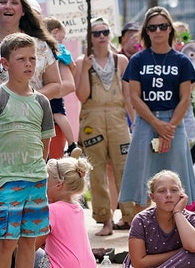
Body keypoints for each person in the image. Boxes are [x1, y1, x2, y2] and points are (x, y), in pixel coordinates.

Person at [0, 33, 56, 268]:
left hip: (36, 181)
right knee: (7, 241)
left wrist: (38, 173)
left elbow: (45, 143)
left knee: (30, 241)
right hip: (6, 182)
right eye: (21, 59)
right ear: (5, 63)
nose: (29, 63)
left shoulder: (42, 102)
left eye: (32, 58)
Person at [119, 6, 195, 212]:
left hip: (174, 121)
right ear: (146, 31)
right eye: (152, 27)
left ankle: (179, 237)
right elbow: (134, 97)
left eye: (162, 26)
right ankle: (142, 237)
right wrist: (157, 125)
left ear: (170, 29)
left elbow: (185, 98)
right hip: (146, 121)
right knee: (141, 181)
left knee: (177, 183)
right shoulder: (138, 60)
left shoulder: (181, 61)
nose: (158, 31)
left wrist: (169, 129)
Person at [75, 17, 136, 236]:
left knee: (125, 167)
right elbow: (81, 95)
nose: (101, 36)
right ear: (89, 38)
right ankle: (105, 218)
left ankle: (130, 217)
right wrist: (85, 69)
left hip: (118, 116)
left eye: (105, 32)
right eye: (96, 33)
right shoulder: (83, 60)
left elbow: (129, 96)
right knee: (97, 170)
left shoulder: (121, 61)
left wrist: (134, 122)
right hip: (93, 117)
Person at [123, 170, 195, 268]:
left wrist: (177, 213)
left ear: (181, 194)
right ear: (152, 197)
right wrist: (179, 253)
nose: (168, 195)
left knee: (191, 257)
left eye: (174, 190)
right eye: (162, 191)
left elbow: (193, 246)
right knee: (189, 255)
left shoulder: (190, 219)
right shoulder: (141, 220)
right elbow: (138, 263)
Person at [34, 156, 96, 268]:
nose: (42, 184)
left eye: (46, 179)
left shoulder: (51, 210)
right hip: (89, 265)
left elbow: (32, 246)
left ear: (58, 184)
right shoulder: (78, 208)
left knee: (21, 249)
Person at [42, 16, 78, 157]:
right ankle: (71, 144)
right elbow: (73, 65)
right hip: (50, 90)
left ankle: (71, 143)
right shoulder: (56, 47)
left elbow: (71, 68)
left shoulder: (56, 49)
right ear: (55, 32)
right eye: (63, 37)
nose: (63, 41)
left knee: (58, 115)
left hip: (52, 89)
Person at [173, 21, 195, 143]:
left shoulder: (191, 59)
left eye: (185, 37)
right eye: (177, 37)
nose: (181, 41)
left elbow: (191, 87)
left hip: (186, 109)